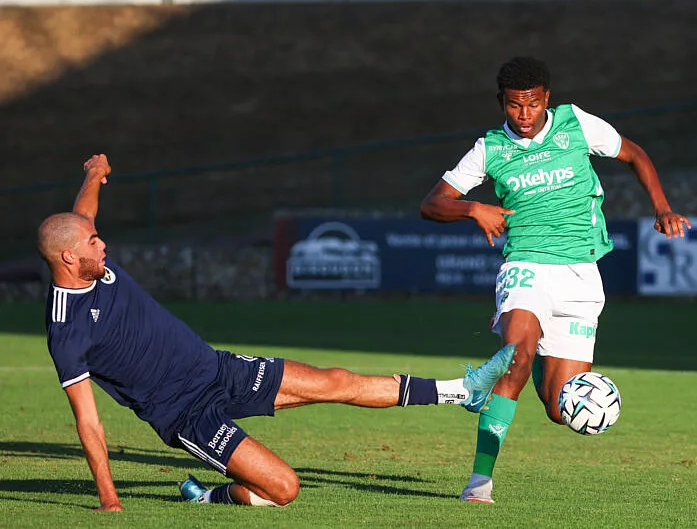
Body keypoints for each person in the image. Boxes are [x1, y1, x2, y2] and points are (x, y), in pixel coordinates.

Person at [40, 154, 516, 511]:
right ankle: (208, 499)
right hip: (188, 416)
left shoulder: (87, 256)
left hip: (217, 368)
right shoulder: (66, 330)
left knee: (336, 382)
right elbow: (88, 422)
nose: (102, 245)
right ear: (67, 258)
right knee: (284, 489)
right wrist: (109, 499)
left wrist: (93, 174)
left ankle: (462, 391)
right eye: (92, 243)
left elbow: (82, 216)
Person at [420, 56, 691, 504]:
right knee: (514, 359)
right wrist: (472, 208)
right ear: (501, 103)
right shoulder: (489, 148)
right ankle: (479, 481)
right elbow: (432, 203)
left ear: (546, 98)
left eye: (530, 104)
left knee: (559, 408)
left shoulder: (576, 124)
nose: (523, 116)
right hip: (526, 266)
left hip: (581, 276)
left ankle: (536, 354)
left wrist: (661, 207)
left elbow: (634, 154)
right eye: (513, 106)